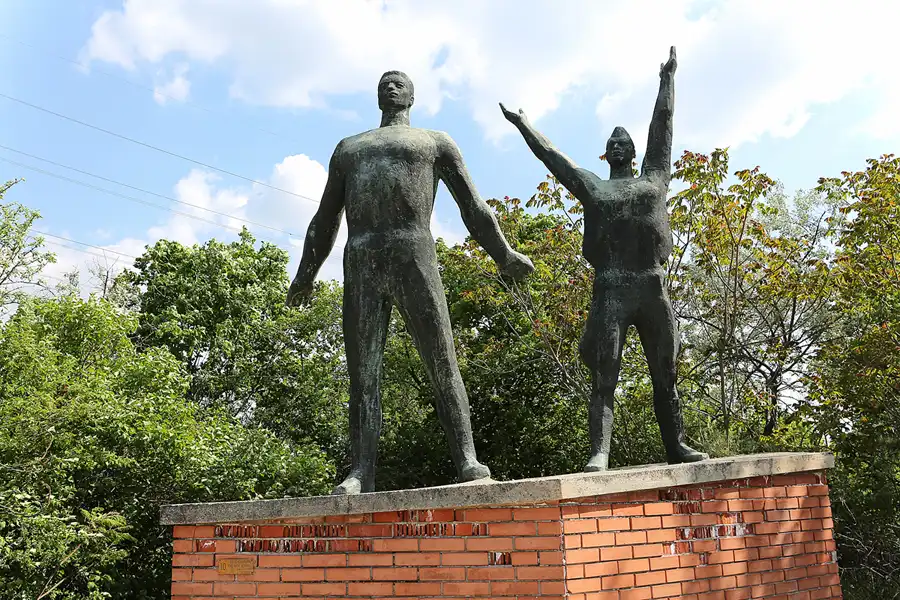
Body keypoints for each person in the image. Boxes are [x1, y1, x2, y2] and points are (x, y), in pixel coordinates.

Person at [288, 70, 534, 494]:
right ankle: (360, 471)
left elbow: (473, 208)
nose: (391, 86)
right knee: (363, 375)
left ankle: (467, 459)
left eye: (399, 82)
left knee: (442, 360)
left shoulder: (434, 142)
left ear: (412, 97)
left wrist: (505, 254)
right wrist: (305, 275)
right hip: (362, 260)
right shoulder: (349, 149)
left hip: (414, 254)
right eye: (384, 82)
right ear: (376, 96)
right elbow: (325, 218)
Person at [500, 47, 707, 471]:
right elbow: (554, 160)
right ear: (605, 153)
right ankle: (600, 452)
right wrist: (524, 125)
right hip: (611, 288)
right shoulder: (594, 187)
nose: (617, 146)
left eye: (623, 143)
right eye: (611, 143)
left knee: (665, 374)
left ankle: (677, 445)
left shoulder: (654, 179)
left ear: (632, 152)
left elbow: (663, 127)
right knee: (604, 376)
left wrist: (667, 79)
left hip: (651, 285)